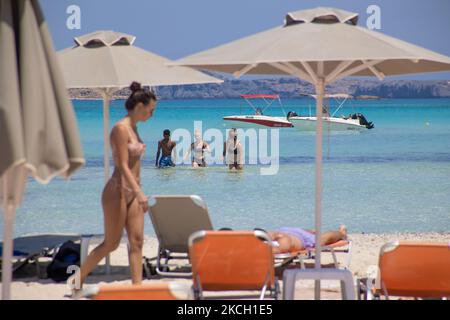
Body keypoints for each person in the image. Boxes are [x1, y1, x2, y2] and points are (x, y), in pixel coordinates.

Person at [71, 81, 157, 293]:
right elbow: (121, 164)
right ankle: (77, 280)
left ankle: (137, 290)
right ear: (140, 107)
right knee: (111, 243)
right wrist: (138, 192)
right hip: (117, 191)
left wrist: (138, 190)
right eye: (151, 110)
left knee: (137, 242)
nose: (152, 114)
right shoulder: (120, 129)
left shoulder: (135, 129)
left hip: (134, 193)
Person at [267, 225, 347, 254]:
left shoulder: (283, 244)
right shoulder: (281, 244)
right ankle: (312, 231)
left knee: (322, 239)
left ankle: (341, 233)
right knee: (318, 238)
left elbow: (284, 244)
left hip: (287, 234)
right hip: (289, 233)